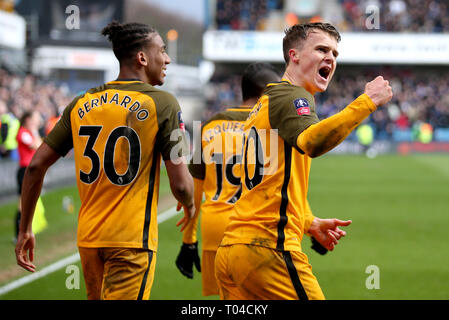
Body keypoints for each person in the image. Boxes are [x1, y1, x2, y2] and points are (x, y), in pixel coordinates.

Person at [15, 21, 195, 300]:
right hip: (132, 242)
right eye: (162, 50)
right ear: (142, 58)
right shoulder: (165, 103)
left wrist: (25, 228)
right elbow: (181, 183)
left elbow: (36, 166)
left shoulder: (80, 102)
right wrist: (190, 204)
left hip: (89, 242)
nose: (168, 58)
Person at [214, 22, 393, 300]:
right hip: (269, 249)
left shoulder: (265, 102)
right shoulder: (291, 96)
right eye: (322, 49)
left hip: (233, 250)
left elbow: (269, 182)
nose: (330, 58)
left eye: (334, 53)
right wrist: (367, 102)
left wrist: (307, 222)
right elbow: (313, 142)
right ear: (294, 55)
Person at [176, 62, 281, 296]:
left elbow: (196, 190)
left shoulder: (211, 125)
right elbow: (283, 190)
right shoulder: (272, 129)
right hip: (256, 231)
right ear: (265, 93)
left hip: (215, 230)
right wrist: (308, 225)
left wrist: (189, 240)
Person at [15, 111, 47, 239]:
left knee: (26, 203)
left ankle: (22, 232)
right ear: (28, 119)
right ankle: (18, 233)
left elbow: (41, 146)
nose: (36, 122)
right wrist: (34, 131)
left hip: (30, 171)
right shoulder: (22, 132)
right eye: (34, 119)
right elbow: (37, 146)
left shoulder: (28, 133)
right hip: (24, 171)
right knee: (23, 204)